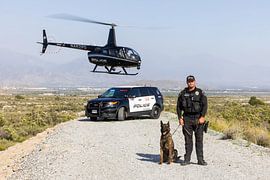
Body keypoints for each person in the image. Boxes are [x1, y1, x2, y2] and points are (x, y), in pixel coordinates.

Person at [176, 75, 208, 166]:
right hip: (187, 119)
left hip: (198, 119)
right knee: (188, 141)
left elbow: (205, 105)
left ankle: (200, 160)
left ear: (195, 82)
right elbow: (178, 107)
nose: (191, 83)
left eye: (192, 81)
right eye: (189, 81)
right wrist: (180, 118)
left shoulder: (200, 92)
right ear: (187, 82)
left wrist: (202, 116)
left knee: (199, 140)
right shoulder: (182, 93)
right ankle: (187, 159)